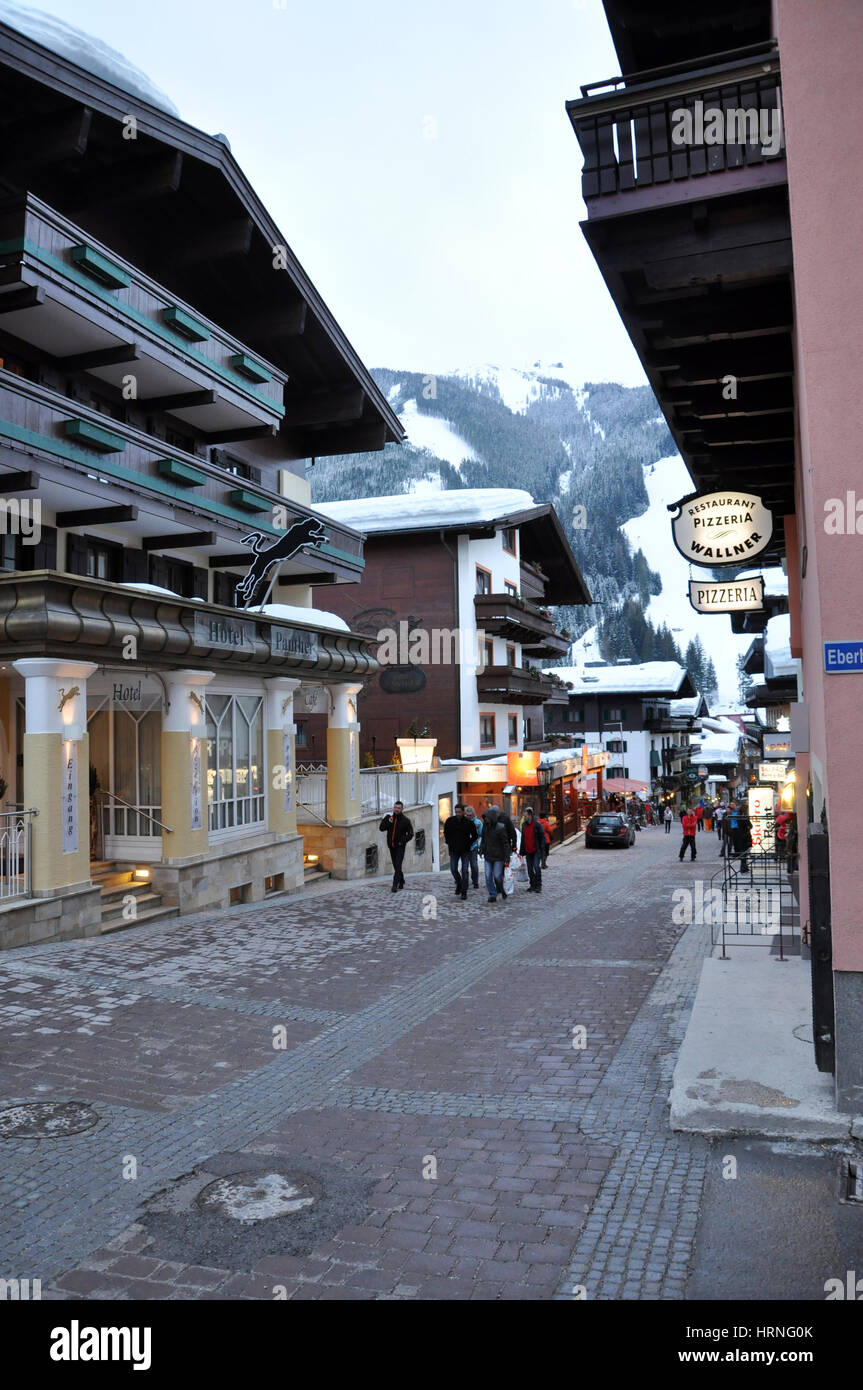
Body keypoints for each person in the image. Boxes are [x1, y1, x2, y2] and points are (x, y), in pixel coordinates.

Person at [443, 803, 479, 901]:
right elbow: (446, 833)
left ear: (463, 812)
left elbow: (475, 835)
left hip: (465, 850)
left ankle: (464, 891)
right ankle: (459, 882)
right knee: (453, 869)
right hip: (454, 849)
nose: (458, 813)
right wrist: (449, 842)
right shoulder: (450, 821)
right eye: (456, 812)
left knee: (465, 870)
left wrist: (469, 844)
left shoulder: (469, 823)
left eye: (459, 812)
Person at [379, 800, 414, 893]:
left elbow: (411, 834)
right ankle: (401, 880)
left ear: (402, 809)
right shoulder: (389, 818)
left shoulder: (406, 821)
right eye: (395, 808)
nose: (396, 809)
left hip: (400, 846)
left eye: (398, 808)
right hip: (391, 846)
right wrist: (388, 822)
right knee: (396, 866)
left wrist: (402, 841)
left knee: (398, 865)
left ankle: (395, 885)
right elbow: (381, 828)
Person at [480, 806, 511, 904]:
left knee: (497, 876)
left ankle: (501, 889)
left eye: (487, 817)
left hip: (498, 856)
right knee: (488, 875)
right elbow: (484, 840)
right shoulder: (485, 828)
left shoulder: (500, 828)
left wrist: (507, 856)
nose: (485, 819)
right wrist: (481, 849)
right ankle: (492, 894)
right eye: (485, 818)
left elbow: (505, 843)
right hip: (488, 855)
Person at [519, 806, 546, 894]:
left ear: (530, 815)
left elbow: (542, 837)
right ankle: (532, 885)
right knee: (530, 869)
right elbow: (523, 838)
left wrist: (542, 847)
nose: (524, 817)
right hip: (527, 850)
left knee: (536, 867)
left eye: (525, 815)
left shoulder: (537, 825)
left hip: (535, 850)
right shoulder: (524, 825)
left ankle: (538, 885)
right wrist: (521, 851)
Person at [727, 803, 752, 874]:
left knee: (742, 851)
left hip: (740, 835)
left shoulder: (738, 816)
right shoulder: (744, 817)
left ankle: (743, 867)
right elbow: (750, 825)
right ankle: (744, 868)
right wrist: (748, 827)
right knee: (745, 852)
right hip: (745, 835)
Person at [463, 804, 481, 888]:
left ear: (473, 814)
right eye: (467, 815)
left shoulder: (478, 822)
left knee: (474, 865)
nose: (469, 817)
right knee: (465, 866)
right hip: (464, 847)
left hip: (473, 846)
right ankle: (465, 881)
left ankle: (475, 881)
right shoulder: (463, 822)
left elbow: (481, 834)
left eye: (470, 815)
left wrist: (479, 845)